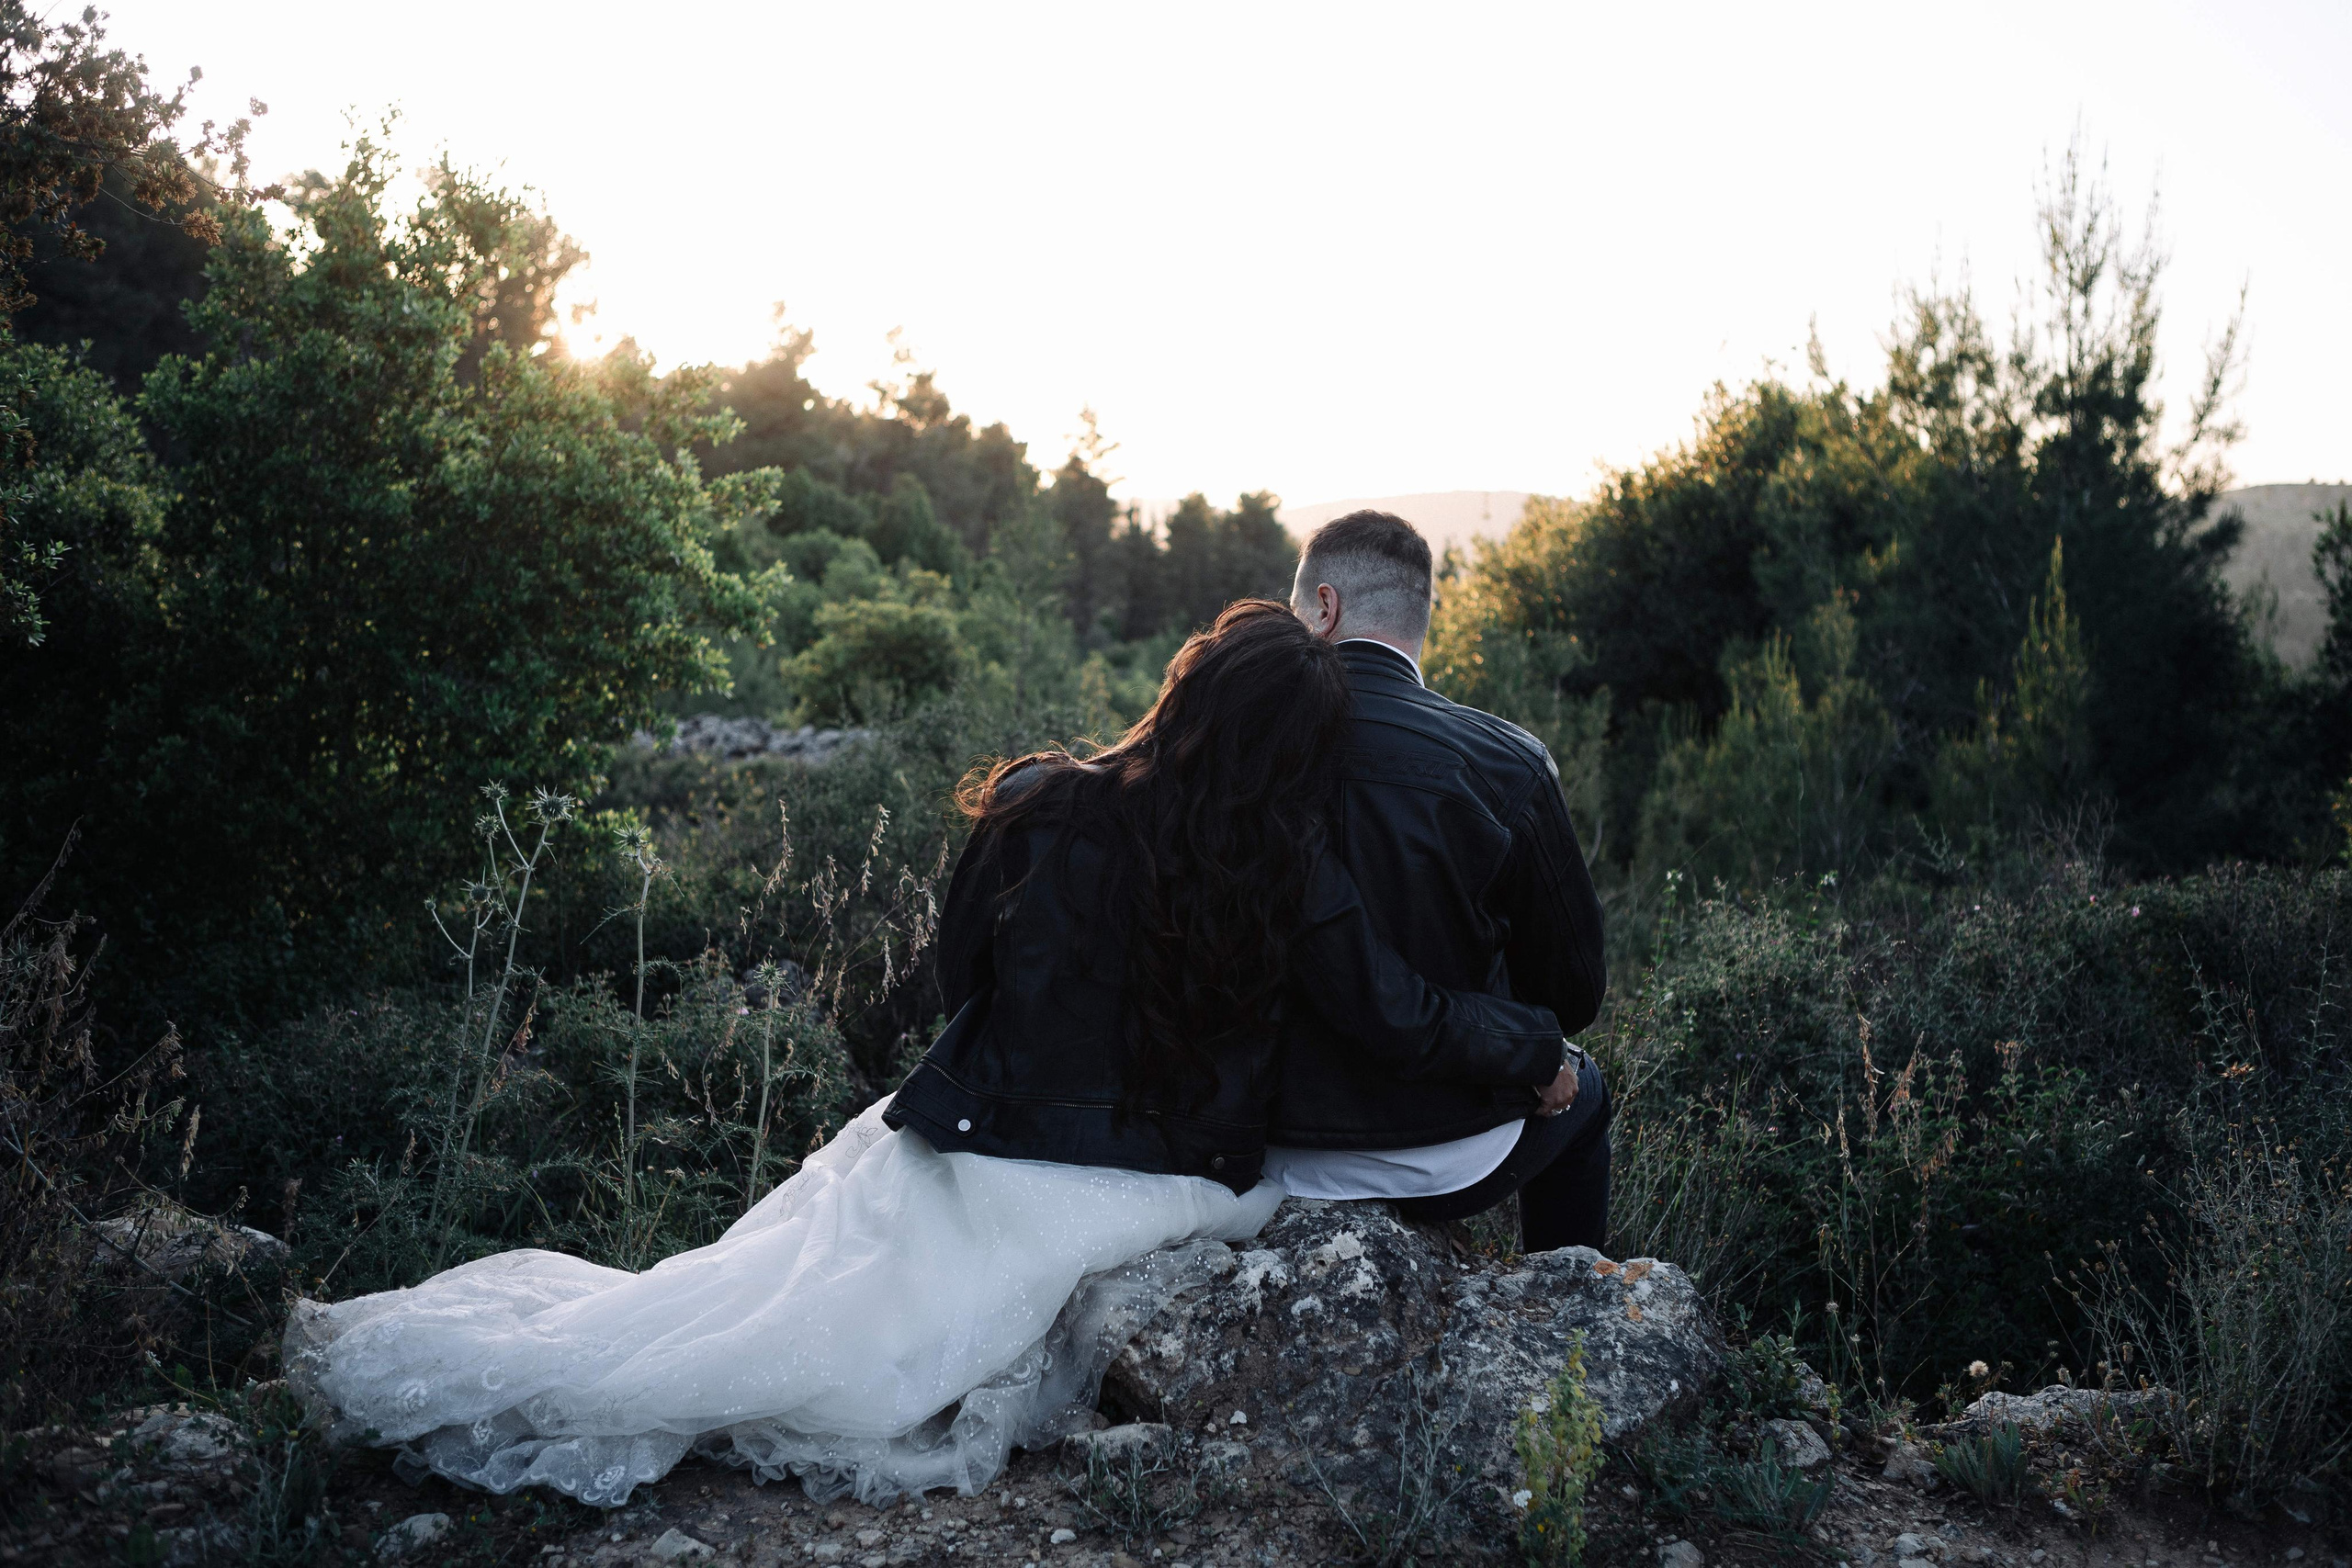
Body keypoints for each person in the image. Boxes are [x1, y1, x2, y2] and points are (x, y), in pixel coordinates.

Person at [285, 602, 1570, 1509]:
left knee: (769, 1276)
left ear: (1179, 690)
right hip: (1163, 1169)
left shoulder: (1038, 798)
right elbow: (1396, 1015)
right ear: (1298, 751)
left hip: (982, 1129)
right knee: (859, 1329)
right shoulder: (1289, 865)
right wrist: (1538, 1048)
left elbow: (965, 976)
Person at [1264, 510, 1611, 1254]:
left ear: (1323, 608)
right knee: (1589, 1094)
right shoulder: (1508, 761)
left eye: (1295, 612)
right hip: (1453, 1151)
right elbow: (1574, 996)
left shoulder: (1238, 752)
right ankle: (1566, 1315)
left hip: (1268, 1146)